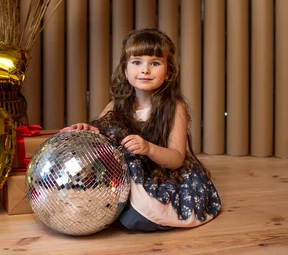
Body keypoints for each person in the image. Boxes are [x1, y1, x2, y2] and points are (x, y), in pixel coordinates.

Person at [62, 28, 222, 232]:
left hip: (162, 175)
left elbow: (176, 159)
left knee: (137, 219)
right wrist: (87, 129)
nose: (145, 70)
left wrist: (148, 148)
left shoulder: (174, 108)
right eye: (137, 62)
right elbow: (99, 139)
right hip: (125, 176)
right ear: (125, 70)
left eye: (155, 63)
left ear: (168, 72)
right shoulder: (116, 105)